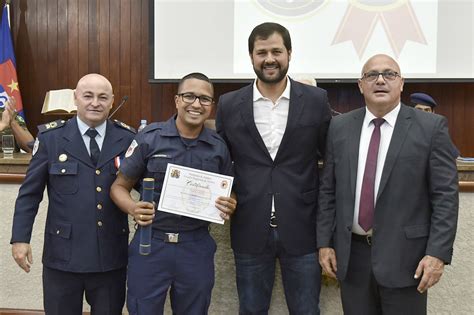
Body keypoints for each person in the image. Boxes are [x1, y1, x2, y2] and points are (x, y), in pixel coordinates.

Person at [317, 54, 459, 315]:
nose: (380, 80)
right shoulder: (339, 127)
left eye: (389, 74)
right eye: (372, 75)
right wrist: (324, 243)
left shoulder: (431, 128)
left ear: (401, 83)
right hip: (353, 258)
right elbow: (328, 190)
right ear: (361, 85)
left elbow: (445, 198)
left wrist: (437, 254)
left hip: (408, 260)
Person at [216, 22, 332, 314]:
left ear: (289, 54)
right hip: (249, 227)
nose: (269, 58)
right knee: (251, 309)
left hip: (303, 228)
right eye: (261, 52)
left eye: (276, 51)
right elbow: (220, 161)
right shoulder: (229, 104)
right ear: (251, 57)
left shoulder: (317, 101)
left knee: (307, 310)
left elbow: (329, 161)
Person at [110, 72, 237, 315]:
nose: (196, 104)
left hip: (196, 246)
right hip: (151, 243)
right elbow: (118, 187)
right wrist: (133, 208)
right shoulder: (149, 139)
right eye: (189, 96)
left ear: (212, 106)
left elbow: (230, 193)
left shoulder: (218, 147)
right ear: (177, 100)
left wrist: (231, 203)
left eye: (204, 99)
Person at [10, 73, 135, 314]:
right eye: (88, 96)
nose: (95, 103)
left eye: (102, 97)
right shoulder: (51, 138)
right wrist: (20, 239)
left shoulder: (127, 139)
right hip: (63, 258)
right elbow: (29, 195)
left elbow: (146, 184)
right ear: (75, 99)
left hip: (110, 257)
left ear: (112, 102)